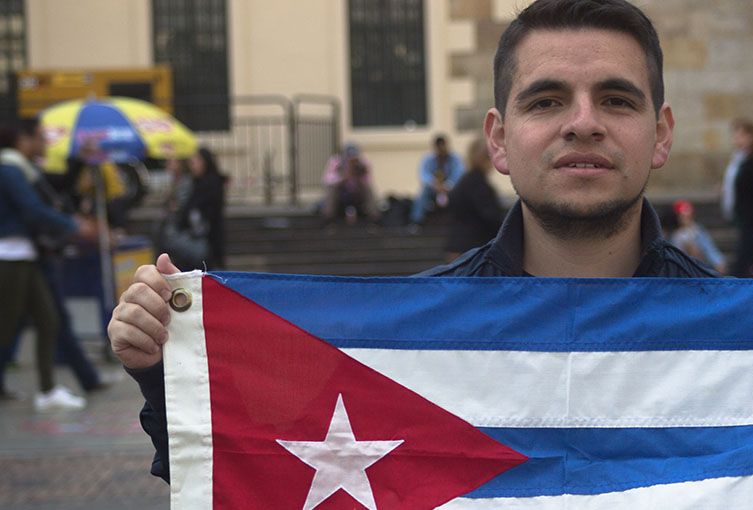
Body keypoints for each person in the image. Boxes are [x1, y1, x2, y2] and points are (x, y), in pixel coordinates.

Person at [107, 0, 719, 483]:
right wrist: (168, 369)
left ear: (659, 134)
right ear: (499, 140)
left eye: (616, 99)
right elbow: (260, 472)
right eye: (547, 100)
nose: (583, 121)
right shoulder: (408, 336)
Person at [0, 121, 95, 409]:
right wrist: (72, 226)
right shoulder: (10, 168)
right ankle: (48, 389)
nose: (45, 143)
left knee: (48, 320)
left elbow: (53, 188)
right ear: (22, 140)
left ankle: (47, 390)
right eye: (40, 137)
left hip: (24, 255)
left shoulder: (21, 168)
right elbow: (32, 210)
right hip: (11, 256)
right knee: (7, 327)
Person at [721, 119, 753, 277]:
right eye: (735, 134)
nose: (736, 138)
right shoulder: (739, 160)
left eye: (741, 134)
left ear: (751, 137)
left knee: (743, 263)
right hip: (744, 218)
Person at [444, 137, 505, 262]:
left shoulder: (464, 181)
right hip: (472, 250)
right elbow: (491, 216)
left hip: (458, 246)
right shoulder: (478, 184)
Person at [169, 147, 228, 270]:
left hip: (207, 236)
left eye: (196, 162)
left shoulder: (211, 182)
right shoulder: (194, 182)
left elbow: (197, 208)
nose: (193, 166)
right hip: (197, 236)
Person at [410, 135, 464, 226]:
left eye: (443, 146)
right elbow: (423, 174)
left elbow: (459, 174)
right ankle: (416, 222)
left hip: (451, 190)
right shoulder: (428, 159)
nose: (442, 149)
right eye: (439, 147)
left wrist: (448, 185)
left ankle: (462, 222)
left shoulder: (456, 159)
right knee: (423, 193)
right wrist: (434, 184)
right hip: (434, 189)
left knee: (462, 194)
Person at [321, 143, 379, 224]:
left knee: (368, 188)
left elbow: (368, 181)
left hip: (357, 196)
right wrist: (343, 177)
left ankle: (374, 217)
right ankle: (328, 217)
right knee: (332, 189)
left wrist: (359, 175)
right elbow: (327, 180)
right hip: (341, 196)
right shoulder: (336, 162)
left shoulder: (363, 163)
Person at [669, 200, 726, 274]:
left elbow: (709, 248)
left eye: (688, 216)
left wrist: (718, 261)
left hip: (697, 268)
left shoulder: (697, 230)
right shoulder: (673, 233)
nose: (686, 219)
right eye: (682, 216)